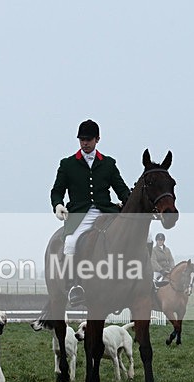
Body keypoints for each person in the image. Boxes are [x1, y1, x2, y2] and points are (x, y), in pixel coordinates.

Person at [50, 119, 131, 306]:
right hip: (80, 215)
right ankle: (73, 286)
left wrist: (129, 203)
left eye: (88, 139)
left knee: (139, 235)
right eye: (82, 140)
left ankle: (143, 281)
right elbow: (57, 190)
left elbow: (121, 189)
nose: (85, 143)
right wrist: (58, 205)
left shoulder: (108, 163)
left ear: (97, 139)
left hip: (106, 212)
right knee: (70, 242)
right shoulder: (68, 164)